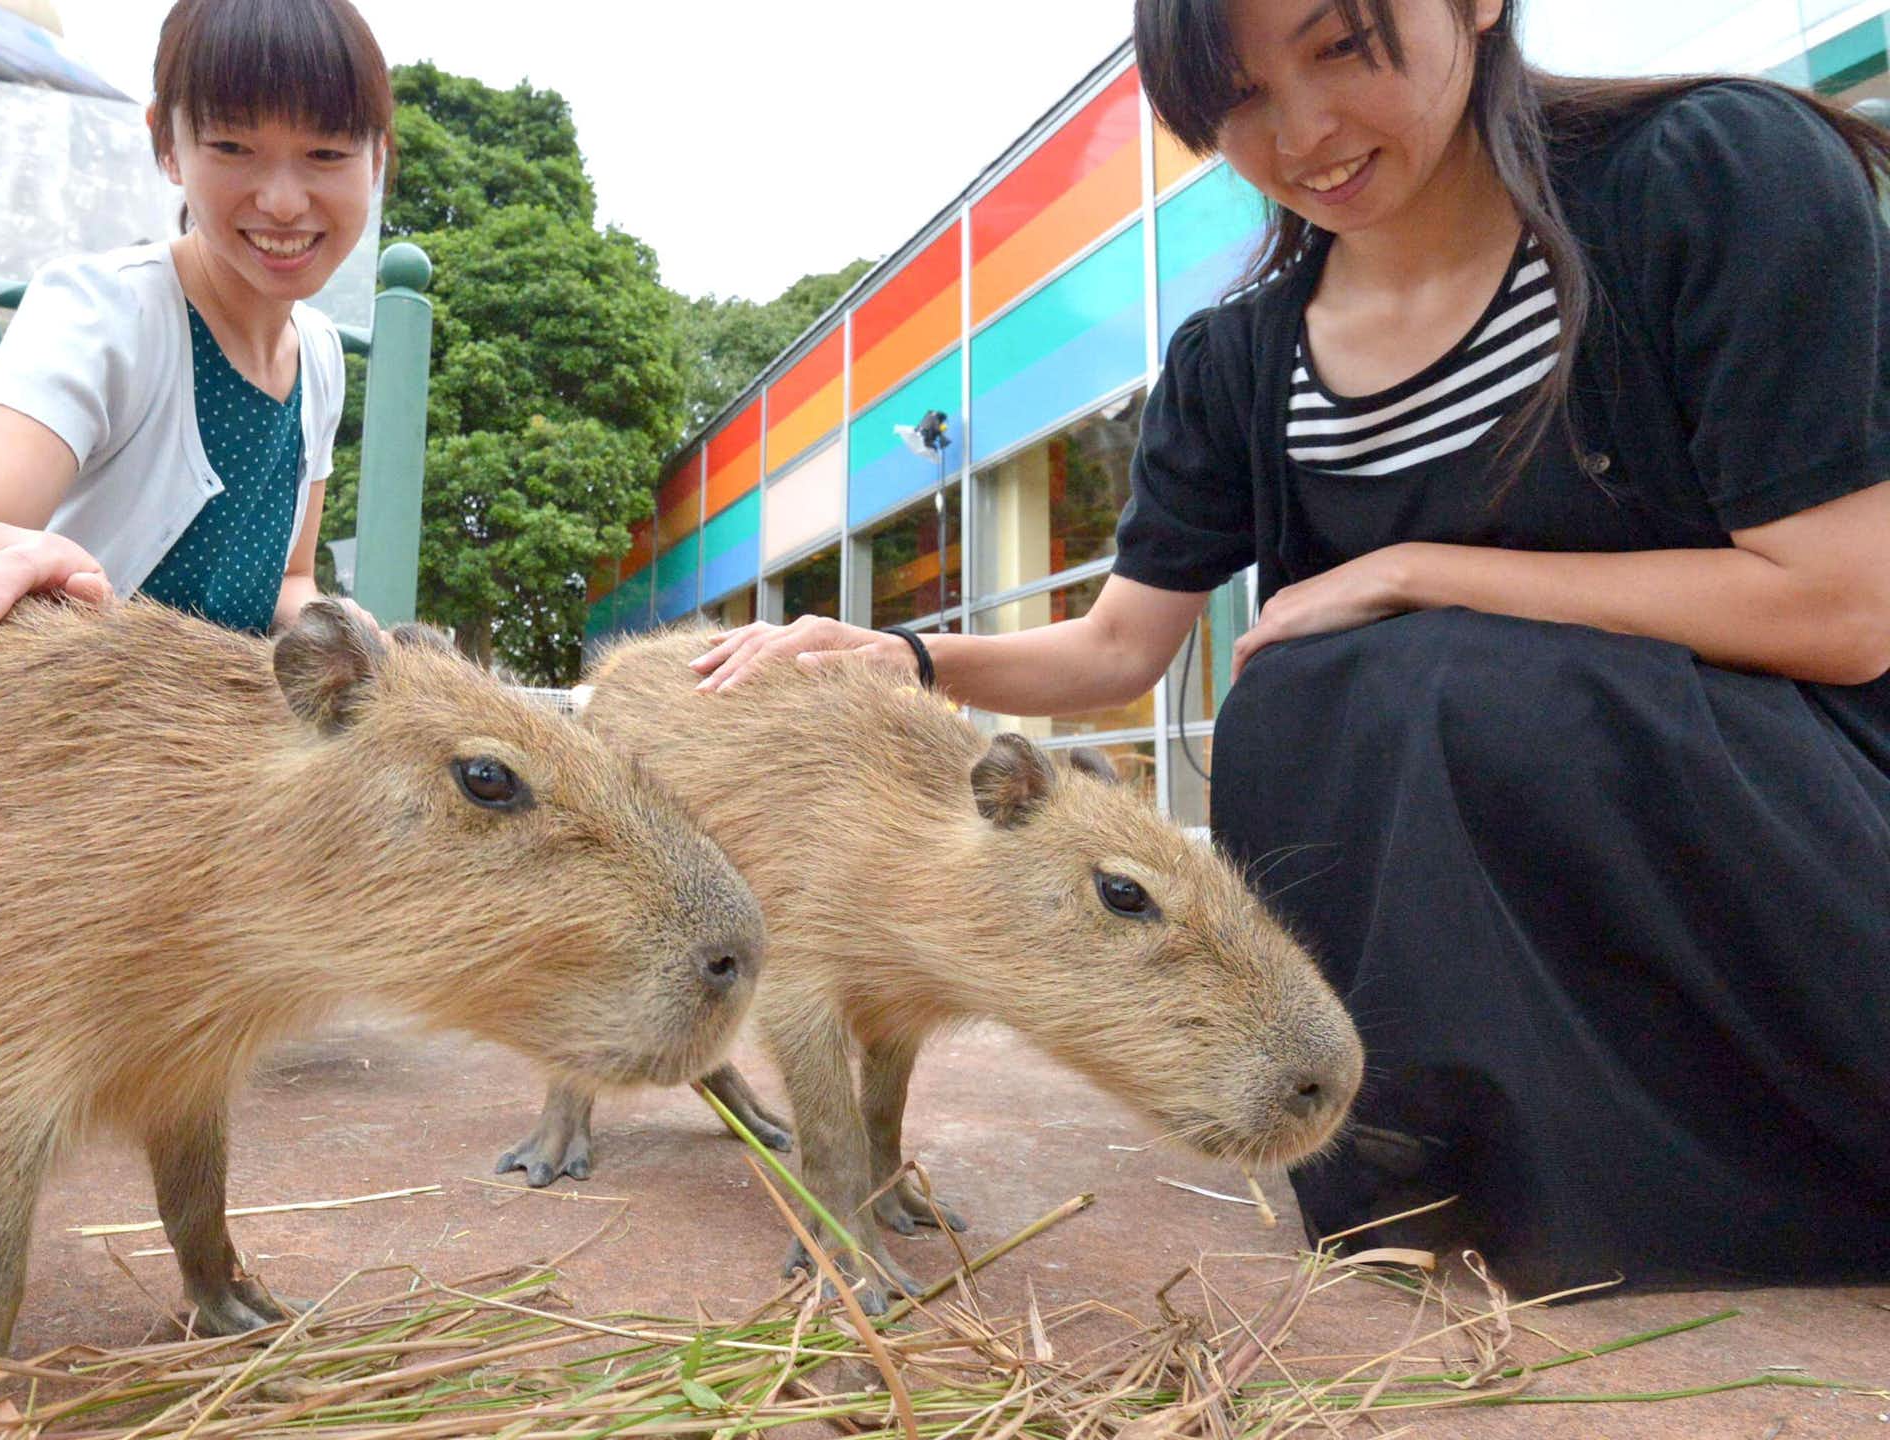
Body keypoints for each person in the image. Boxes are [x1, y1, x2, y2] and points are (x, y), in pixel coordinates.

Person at [692, 0, 1890, 1294]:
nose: (1304, 132)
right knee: (1301, 696)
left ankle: (1737, 1166)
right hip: (1491, 910)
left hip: (1766, 848)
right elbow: (1114, 650)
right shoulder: (1240, 358)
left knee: (1437, 673)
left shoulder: (1712, 172)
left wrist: (1418, 574)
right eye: (1241, 99)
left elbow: (1839, 610)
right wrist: (908, 661)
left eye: (1337, 47)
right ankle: (1438, 1165)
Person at [0, 0, 391, 654]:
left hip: (213, 744)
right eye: (232, 146)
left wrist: (337, 629)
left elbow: (289, 579)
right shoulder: (100, 314)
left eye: (326, 153)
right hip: (72, 734)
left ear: (376, 160)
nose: (281, 201)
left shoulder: (321, 356)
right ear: (167, 144)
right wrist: (19, 556)